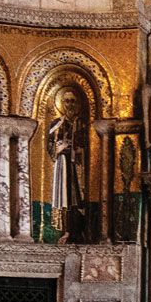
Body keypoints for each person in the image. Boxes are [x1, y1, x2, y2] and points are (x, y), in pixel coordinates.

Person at [48, 88, 84, 238]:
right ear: (62, 103)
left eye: (72, 101)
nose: (69, 104)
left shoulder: (80, 123)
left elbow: (85, 144)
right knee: (63, 195)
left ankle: (76, 230)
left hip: (77, 164)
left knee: (76, 196)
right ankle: (63, 230)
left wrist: (77, 148)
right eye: (66, 101)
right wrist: (58, 149)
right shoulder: (56, 123)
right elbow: (50, 145)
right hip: (62, 163)